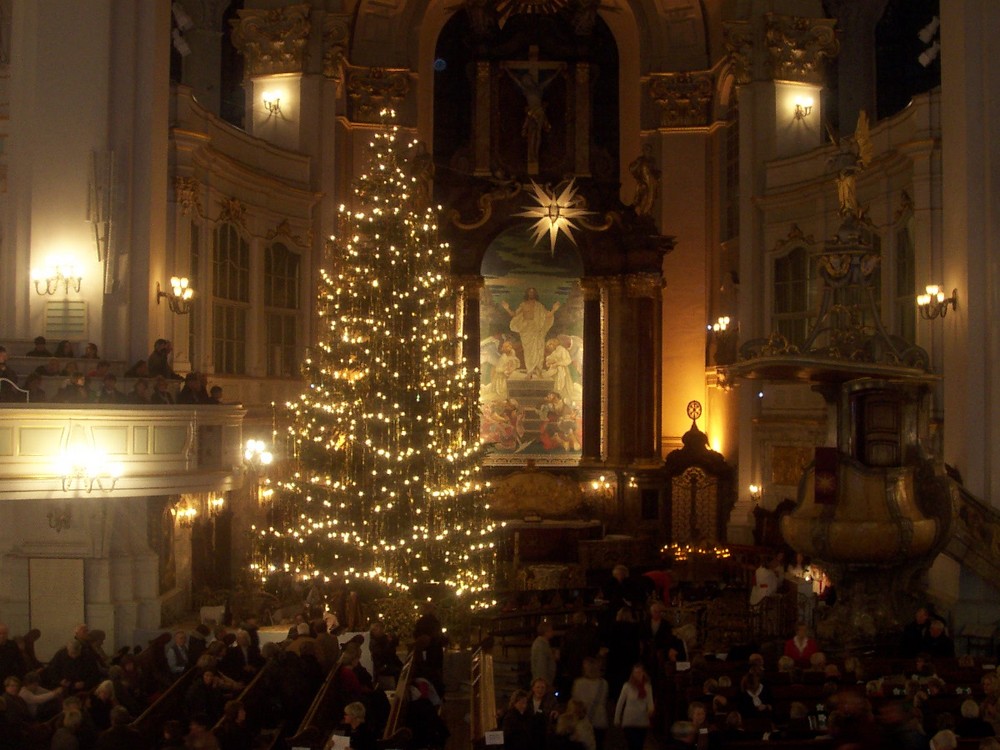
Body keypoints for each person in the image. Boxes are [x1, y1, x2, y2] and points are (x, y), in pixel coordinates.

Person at [500, 288, 559, 377]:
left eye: (533, 292)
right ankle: (530, 371)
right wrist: (507, 308)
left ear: (535, 294)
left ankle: (538, 370)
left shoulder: (539, 306)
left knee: (539, 349)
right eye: (529, 292)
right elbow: (514, 315)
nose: (531, 294)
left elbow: (547, 315)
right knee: (528, 352)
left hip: (537, 330)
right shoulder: (523, 305)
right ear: (527, 294)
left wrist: (554, 309)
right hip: (527, 330)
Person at [571, 657, 608, 750]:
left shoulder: (578, 683)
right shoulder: (604, 684)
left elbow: (575, 703)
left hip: (584, 721)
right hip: (600, 720)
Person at [614, 664, 654, 750]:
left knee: (639, 746)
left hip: (642, 721)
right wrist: (617, 718)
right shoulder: (627, 686)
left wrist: (651, 710)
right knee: (632, 745)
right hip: (629, 721)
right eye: (636, 672)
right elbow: (620, 703)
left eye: (640, 672)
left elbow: (650, 702)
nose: (638, 674)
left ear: (643, 673)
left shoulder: (647, 686)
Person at [531, 620, 557, 688]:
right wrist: (543, 684)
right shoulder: (541, 645)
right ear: (546, 632)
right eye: (551, 630)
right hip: (544, 683)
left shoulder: (543, 643)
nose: (553, 632)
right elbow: (541, 665)